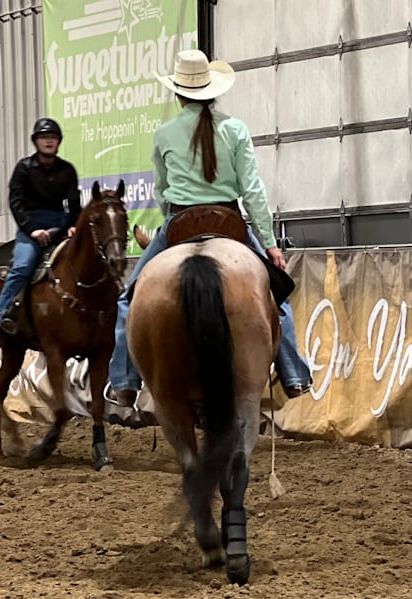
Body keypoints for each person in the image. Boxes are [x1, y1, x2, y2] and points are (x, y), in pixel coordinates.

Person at [109, 49, 313, 404]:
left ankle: (125, 382)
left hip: (179, 222)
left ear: (177, 92)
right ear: (213, 90)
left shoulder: (165, 133)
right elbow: (252, 190)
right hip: (228, 221)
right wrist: (269, 243)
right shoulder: (235, 129)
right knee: (275, 295)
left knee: (129, 297)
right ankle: (293, 374)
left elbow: (161, 191)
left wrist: (168, 222)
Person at [0, 117, 81, 340]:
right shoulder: (23, 169)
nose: (49, 141)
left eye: (53, 137)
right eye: (44, 137)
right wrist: (32, 230)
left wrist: (72, 226)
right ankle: (2, 316)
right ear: (36, 141)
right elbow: (16, 202)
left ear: (59, 142)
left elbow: (74, 205)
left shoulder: (67, 170)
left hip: (59, 225)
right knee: (23, 266)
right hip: (31, 226)